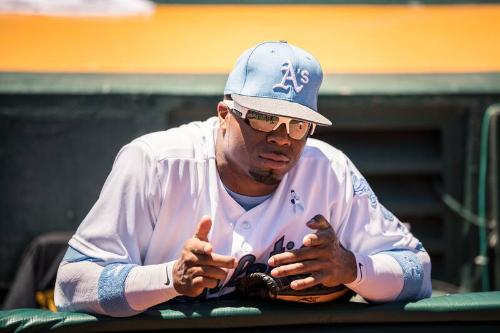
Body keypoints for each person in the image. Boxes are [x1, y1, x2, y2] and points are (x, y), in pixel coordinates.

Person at [55, 41, 432, 317]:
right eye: (265, 117)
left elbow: (417, 270)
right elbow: (73, 285)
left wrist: (353, 268)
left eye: (299, 124)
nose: (282, 137)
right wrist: (170, 277)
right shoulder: (156, 163)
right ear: (224, 114)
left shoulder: (329, 170)